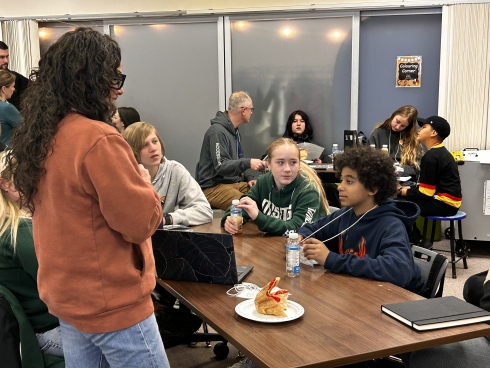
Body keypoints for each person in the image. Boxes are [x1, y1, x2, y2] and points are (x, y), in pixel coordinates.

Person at [7, 27, 170, 367]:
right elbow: (140, 224)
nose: (121, 87)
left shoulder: (43, 136)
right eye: (115, 76)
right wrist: (143, 181)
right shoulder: (98, 139)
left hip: (68, 300)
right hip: (113, 304)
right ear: (91, 78)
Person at [296, 145, 425, 294]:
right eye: (342, 180)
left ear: (373, 189)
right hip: (361, 293)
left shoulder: (391, 224)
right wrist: (301, 236)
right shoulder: (345, 214)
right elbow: (313, 228)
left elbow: (398, 271)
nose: (340, 187)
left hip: (397, 302)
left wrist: (332, 259)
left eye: (349, 181)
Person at [0, 154, 63, 357]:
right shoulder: (18, 232)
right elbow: (60, 282)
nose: (33, 184)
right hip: (49, 329)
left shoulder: (6, 227)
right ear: (4, 184)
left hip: (35, 327)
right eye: (24, 177)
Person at [222, 137, 329, 236]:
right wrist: (231, 219)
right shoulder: (263, 182)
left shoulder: (309, 190)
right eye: (280, 162)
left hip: (305, 251)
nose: (287, 169)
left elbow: (297, 231)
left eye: (293, 162)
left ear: (299, 163)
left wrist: (258, 217)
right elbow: (243, 207)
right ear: (269, 164)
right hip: (273, 246)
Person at [124, 121, 213, 227]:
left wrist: (168, 219)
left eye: (155, 141)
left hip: (164, 238)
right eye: (144, 145)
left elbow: (204, 210)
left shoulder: (174, 170)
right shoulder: (124, 177)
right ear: (133, 151)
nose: (153, 148)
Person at [403, 268, 490, 367]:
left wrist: (487, 284)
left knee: (425, 352)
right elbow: (470, 287)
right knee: (410, 332)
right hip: (481, 324)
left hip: (484, 331)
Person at [398, 116, 462, 246]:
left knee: (396, 206)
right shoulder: (440, 152)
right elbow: (426, 188)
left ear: (433, 133)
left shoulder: (432, 157)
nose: (419, 130)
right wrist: (403, 189)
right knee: (399, 200)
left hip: (445, 205)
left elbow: (426, 193)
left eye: (424, 127)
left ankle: (419, 241)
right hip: (448, 202)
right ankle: (416, 240)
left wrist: (400, 191)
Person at [197, 91, 265, 210]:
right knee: (250, 207)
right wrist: (249, 163)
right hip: (213, 188)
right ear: (243, 110)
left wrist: (249, 178)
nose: (251, 112)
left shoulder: (235, 131)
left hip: (233, 183)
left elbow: (240, 158)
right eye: (251, 109)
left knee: (265, 196)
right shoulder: (217, 132)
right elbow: (221, 166)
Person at [368, 105, 423, 183]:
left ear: (408, 126)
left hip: (403, 180)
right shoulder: (378, 133)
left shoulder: (412, 140)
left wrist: (400, 172)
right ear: (394, 115)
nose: (397, 127)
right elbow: (367, 158)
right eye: (397, 122)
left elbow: (417, 166)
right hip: (380, 177)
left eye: (403, 126)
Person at [0, 41, 29, 111]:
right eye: (2, 57)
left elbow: (35, 88)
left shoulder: (14, 77)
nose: (6, 61)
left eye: (7, 57)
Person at [0, 70, 21, 147]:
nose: (14, 89)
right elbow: (27, 129)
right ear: (4, 89)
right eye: (12, 86)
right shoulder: (7, 108)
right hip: (8, 154)